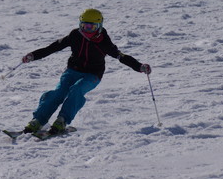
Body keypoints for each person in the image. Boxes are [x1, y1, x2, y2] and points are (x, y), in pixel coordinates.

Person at [21, 8, 152, 135]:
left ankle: (62, 120)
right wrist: (33, 55)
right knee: (58, 93)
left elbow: (121, 56)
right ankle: (38, 120)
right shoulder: (75, 35)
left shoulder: (104, 42)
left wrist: (139, 66)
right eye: (84, 26)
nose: (87, 30)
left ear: (99, 26)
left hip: (92, 75)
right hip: (72, 71)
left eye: (92, 27)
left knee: (76, 90)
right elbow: (53, 47)